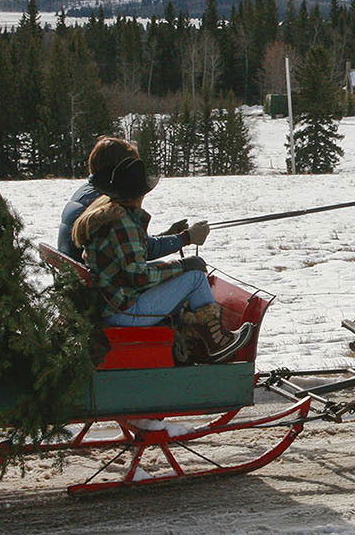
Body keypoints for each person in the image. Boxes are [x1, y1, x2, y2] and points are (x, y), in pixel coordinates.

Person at [69, 151, 254, 365]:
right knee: (194, 277)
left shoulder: (106, 214)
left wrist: (177, 246)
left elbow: (133, 259)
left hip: (111, 301)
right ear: (140, 194)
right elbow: (138, 276)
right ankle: (217, 343)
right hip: (125, 312)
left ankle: (206, 339)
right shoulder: (124, 224)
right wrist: (182, 266)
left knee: (184, 271)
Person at [58, 137, 207, 263]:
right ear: (120, 170)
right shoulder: (106, 203)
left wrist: (168, 235)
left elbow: (128, 244)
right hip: (103, 290)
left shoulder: (87, 192)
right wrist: (185, 238)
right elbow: (141, 250)